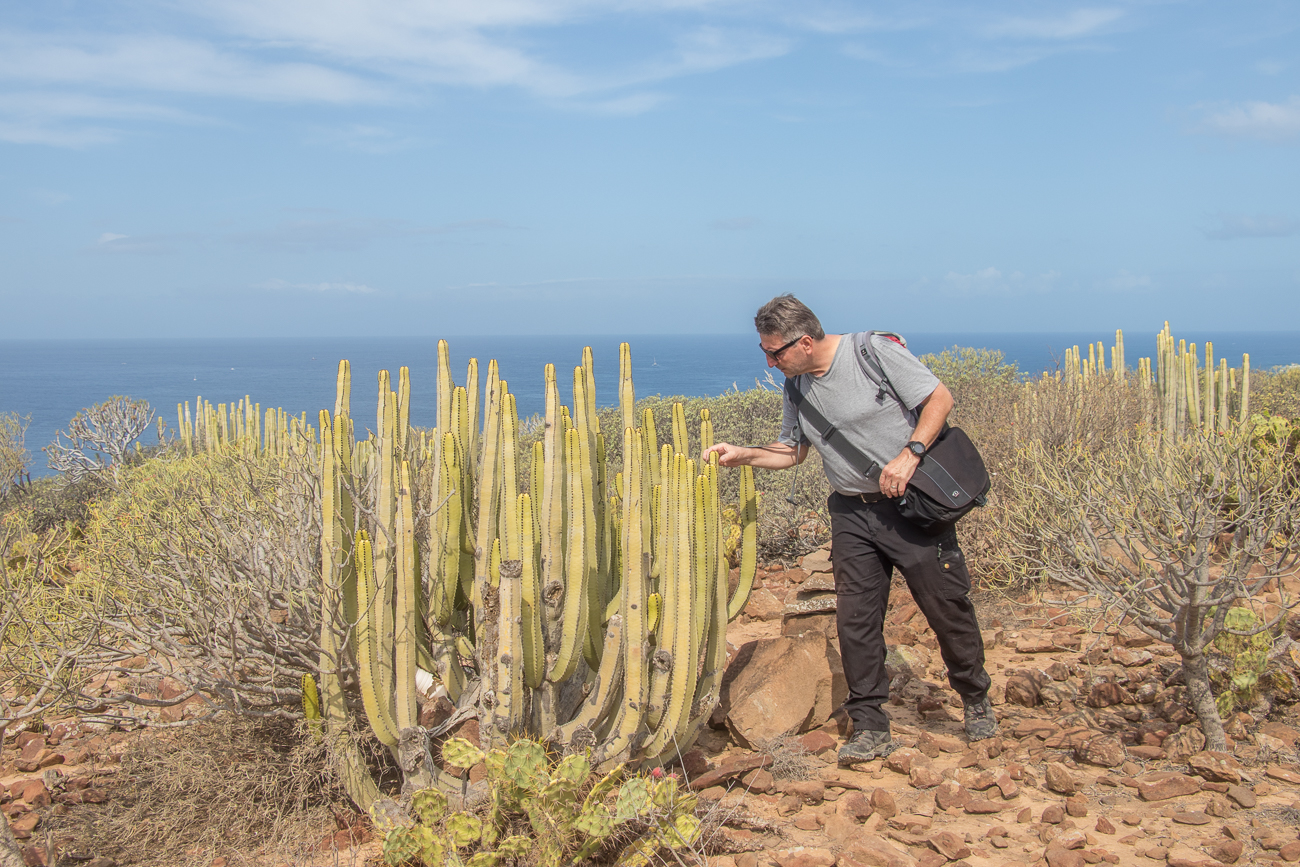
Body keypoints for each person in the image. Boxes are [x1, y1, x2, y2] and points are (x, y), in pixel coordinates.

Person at [703, 294, 996, 764]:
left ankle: (975, 697)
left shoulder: (871, 352)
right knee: (856, 620)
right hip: (851, 513)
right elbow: (792, 451)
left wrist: (910, 455)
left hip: (910, 505)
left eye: (774, 352)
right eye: (764, 351)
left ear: (803, 343)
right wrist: (744, 454)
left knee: (946, 607)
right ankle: (871, 724)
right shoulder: (797, 387)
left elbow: (939, 398)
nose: (768, 360)